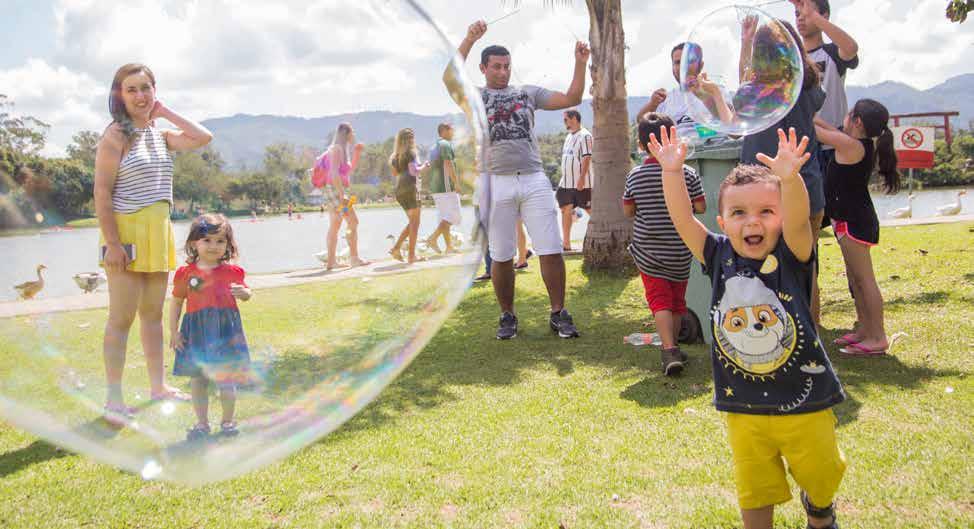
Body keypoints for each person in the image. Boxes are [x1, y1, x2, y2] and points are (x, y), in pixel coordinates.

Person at [656, 125, 845, 529]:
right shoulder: (717, 253)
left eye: (765, 211)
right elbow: (683, 219)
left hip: (805, 398)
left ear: (780, 219)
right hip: (743, 403)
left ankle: (820, 507)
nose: (751, 222)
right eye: (739, 213)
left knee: (822, 473)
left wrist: (790, 179)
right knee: (754, 488)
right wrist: (672, 173)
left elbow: (798, 220)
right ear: (723, 221)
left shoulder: (793, 252)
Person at [449, 20, 588, 340]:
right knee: (501, 254)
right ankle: (507, 316)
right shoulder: (475, 97)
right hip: (493, 182)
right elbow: (451, 77)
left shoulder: (527, 93)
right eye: (496, 67)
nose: (502, 71)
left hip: (534, 179)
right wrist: (469, 38)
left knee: (551, 248)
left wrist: (580, 63)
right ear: (483, 69)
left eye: (507, 66)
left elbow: (572, 97)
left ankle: (558, 312)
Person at [94, 63, 213, 425]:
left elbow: (202, 137)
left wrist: (164, 112)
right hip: (125, 235)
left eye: (146, 88)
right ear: (120, 95)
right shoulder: (115, 135)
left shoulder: (160, 136)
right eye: (132, 89)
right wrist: (113, 244)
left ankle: (157, 387)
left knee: (152, 315)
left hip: (158, 232)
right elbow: (101, 191)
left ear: (154, 90)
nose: (140, 96)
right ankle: (114, 400)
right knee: (121, 318)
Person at [739, 20, 827, 327]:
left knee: (766, 268)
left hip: (761, 197)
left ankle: (777, 339)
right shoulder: (810, 86)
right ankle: (810, 337)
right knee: (805, 267)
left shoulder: (753, 93)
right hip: (807, 190)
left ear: (759, 55)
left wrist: (745, 42)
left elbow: (739, 104)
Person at [623, 113, 706, 376]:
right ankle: (676, 347)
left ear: (640, 144)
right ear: (674, 138)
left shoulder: (635, 176)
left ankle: (668, 350)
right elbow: (701, 206)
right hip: (680, 249)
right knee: (677, 301)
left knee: (660, 301)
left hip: (648, 251)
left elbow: (628, 210)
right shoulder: (688, 173)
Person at [815, 99, 899, 356]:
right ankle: (864, 329)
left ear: (858, 121)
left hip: (855, 222)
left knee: (864, 280)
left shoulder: (851, 145)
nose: (845, 117)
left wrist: (793, 106)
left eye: (849, 114)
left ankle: (878, 337)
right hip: (849, 220)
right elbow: (824, 125)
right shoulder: (855, 142)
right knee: (855, 279)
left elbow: (817, 130)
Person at [169, 214, 253, 441]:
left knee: (226, 379)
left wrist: (244, 293)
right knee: (198, 380)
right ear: (194, 243)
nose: (214, 246)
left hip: (225, 332)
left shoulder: (232, 272)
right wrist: (174, 332)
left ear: (228, 244)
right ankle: (201, 423)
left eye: (220, 241)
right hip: (196, 332)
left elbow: (246, 293)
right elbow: (176, 302)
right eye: (207, 240)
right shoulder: (185, 274)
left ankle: (227, 421)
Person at [792, 0, 859, 172]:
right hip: (801, 146)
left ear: (824, 16)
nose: (801, 19)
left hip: (831, 146)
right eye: (797, 14)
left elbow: (851, 48)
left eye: (806, 14)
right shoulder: (792, 60)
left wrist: (813, 16)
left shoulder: (832, 53)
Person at [314, 122, 369, 270]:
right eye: (353, 132)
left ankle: (332, 262)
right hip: (336, 190)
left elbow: (347, 171)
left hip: (334, 189)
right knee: (353, 221)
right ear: (347, 134)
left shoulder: (341, 150)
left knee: (336, 224)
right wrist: (342, 194)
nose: (354, 135)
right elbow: (334, 173)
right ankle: (354, 258)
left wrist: (357, 153)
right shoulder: (337, 149)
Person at [388, 128, 430, 264]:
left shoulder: (394, 156)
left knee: (413, 222)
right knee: (415, 223)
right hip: (411, 189)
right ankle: (411, 256)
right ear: (411, 139)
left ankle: (396, 248)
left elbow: (395, 173)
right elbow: (414, 171)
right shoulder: (411, 153)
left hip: (400, 190)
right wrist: (424, 166)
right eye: (412, 138)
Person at [557, 109, 593, 251]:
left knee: (591, 210)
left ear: (574, 119)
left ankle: (600, 239)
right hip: (566, 183)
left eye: (566, 119)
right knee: (565, 209)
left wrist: (582, 178)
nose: (564, 122)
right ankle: (566, 244)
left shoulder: (585, 136)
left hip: (582, 183)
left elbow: (586, 158)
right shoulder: (568, 137)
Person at [426, 123, 462, 254]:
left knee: (444, 218)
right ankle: (432, 238)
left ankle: (449, 247)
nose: (453, 132)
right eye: (452, 130)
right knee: (455, 217)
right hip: (446, 187)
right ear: (444, 131)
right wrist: (456, 183)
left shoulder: (433, 147)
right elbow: (448, 164)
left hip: (436, 188)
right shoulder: (445, 144)